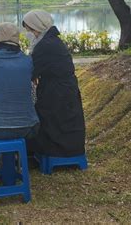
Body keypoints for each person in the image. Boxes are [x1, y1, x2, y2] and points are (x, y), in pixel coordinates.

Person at [22, 10, 86, 157]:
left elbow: (31, 70)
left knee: (51, 121)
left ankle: (51, 152)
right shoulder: (51, 40)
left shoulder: (46, 45)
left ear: (38, 26)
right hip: (63, 89)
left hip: (56, 92)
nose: (30, 34)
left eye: (30, 30)